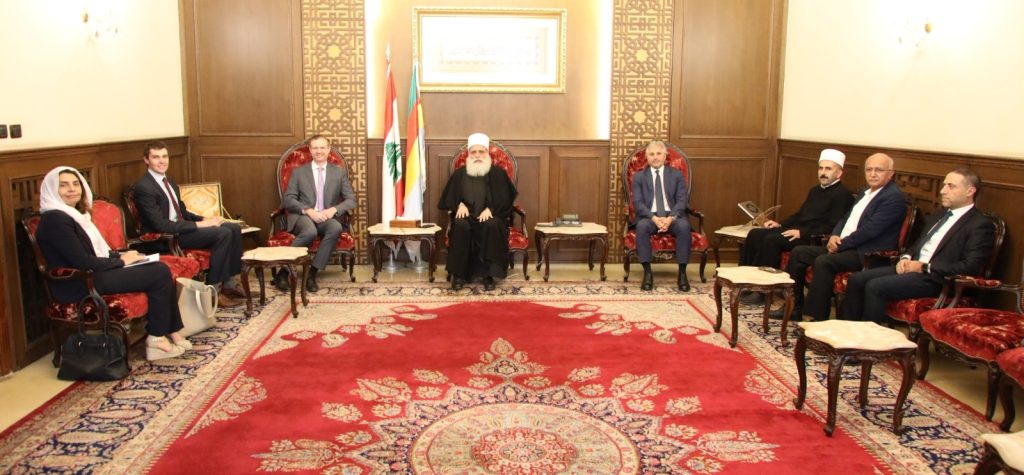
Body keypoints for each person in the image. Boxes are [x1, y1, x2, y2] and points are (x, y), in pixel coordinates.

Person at [35, 167, 191, 361]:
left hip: (93, 272)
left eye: (76, 184)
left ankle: (169, 330)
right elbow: (81, 261)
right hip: (79, 282)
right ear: (51, 190)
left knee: (157, 267)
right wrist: (121, 261)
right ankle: (157, 340)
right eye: (63, 185)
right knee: (158, 273)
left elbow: (94, 251)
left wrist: (123, 255)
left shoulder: (73, 215)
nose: (72, 189)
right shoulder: (55, 219)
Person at [842, 168, 995, 322]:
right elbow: (917, 244)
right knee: (857, 279)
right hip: (913, 269)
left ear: (970, 191)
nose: (943, 191)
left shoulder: (979, 224)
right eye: (944, 185)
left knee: (875, 286)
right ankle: (846, 328)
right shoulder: (940, 214)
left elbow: (970, 266)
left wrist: (924, 267)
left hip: (938, 279)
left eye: (951, 186)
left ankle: (868, 335)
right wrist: (906, 257)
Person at [782, 153, 907, 321]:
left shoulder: (893, 198)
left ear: (891, 173)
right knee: (799, 253)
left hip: (866, 253)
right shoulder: (864, 192)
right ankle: (793, 307)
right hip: (845, 245)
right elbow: (845, 218)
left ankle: (816, 317)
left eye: (878, 170)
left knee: (824, 261)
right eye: (869, 170)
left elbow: (870, 230)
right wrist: (835, 235)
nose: (872, 174)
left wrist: (841, 244)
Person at [133, 141, 243, 308]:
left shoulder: (169, 182)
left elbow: (183, 212)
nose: (162, 161)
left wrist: (204, 219)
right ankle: (213, 292)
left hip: (181, 230)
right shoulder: (144, 188)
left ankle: (229, 284)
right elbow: (161, 225)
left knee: (233, 228)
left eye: (164, 156)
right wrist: (201, 226)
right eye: (156, 157)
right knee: (222, 233)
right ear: (146, 160)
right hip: (166, 238)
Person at [739, 149, 854, 304]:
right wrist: (780, 224)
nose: (823, 173)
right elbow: (800, 214)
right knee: (755, 233)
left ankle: (764, 291)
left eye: (828, 169)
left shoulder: (842, 195)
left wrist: (802, 233)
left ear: (839, 173)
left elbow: (832, 226)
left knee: (771, 240)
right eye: (821, 168)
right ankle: (745, 282)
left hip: (811, 237)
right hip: (797, 230)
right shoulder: (815, 190)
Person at [276, 134, 357, 292]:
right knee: (310, 232)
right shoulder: (299, 172)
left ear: (328, 149)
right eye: (315, 148)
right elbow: (288, 199)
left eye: (322, 148)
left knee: (335, 227)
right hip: (303, 216)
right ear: (310, 150)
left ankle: (311, 274)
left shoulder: (338, 172)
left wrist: (333, 210)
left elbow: (351, 200)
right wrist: (308, 210)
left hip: (325, 217)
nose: (319, 151)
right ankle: (283, 272)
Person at [438, 132, 517, 291]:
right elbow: (449, 198)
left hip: (491, 217)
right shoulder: (460, 174)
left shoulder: (498, 174)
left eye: (481, 151)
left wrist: (491, 209)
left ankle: (488, 275)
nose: (477, 155)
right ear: (469, 154)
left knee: (492, 225)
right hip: (467, 217)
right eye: (473, 152)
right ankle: (458, 275)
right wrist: (459, 205)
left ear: (487, 153)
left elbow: (506, 200)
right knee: (460, 225)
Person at [631, 140, 692, 291]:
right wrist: (654, 218)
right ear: (647, 157)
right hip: (650, 217)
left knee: (684, 226)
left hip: (673, 217)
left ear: (665, 156)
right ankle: (647, 274)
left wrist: (670, 218)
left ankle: (682, 274)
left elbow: (682, 201)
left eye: (659, 154)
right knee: (641, 227)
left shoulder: (676, 175)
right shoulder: (639, 177)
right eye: (651, 154)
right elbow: (638, 203)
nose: (655, 157)